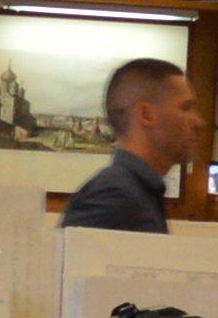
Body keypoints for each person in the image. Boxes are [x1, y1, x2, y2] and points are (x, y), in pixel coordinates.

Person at [62, 57, 203, 234]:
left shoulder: (136, 192)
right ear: (146, 114)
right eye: (186, 108)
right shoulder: (113, 196)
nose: (198, 122)